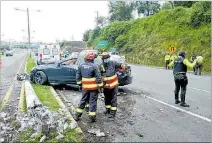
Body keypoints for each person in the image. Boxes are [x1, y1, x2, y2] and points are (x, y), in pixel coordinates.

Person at [75, 52, 103, 122]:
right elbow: (99, 78)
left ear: (85, 58)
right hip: (93, 88)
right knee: (92, 102)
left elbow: (78, 77)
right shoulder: (95, 66)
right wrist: (100, 87)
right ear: (93, 59)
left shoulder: (81, 65)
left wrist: (80, 85)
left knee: (83, 100)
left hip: (85, 88)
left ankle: (77, 116)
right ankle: (92, 118)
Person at [100, 52, 127, 118]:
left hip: (114, 85)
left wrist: (123, 66)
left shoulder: (113, 63)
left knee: (114, 99)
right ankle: (108, 110)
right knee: (107, 98)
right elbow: (99, 75)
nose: (107, 59)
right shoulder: (101, 66)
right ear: (102, 59)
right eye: (105, 58)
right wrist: (100, 86)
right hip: (106, 86)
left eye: (108, 58)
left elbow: (120, 65)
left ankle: (113, 113)